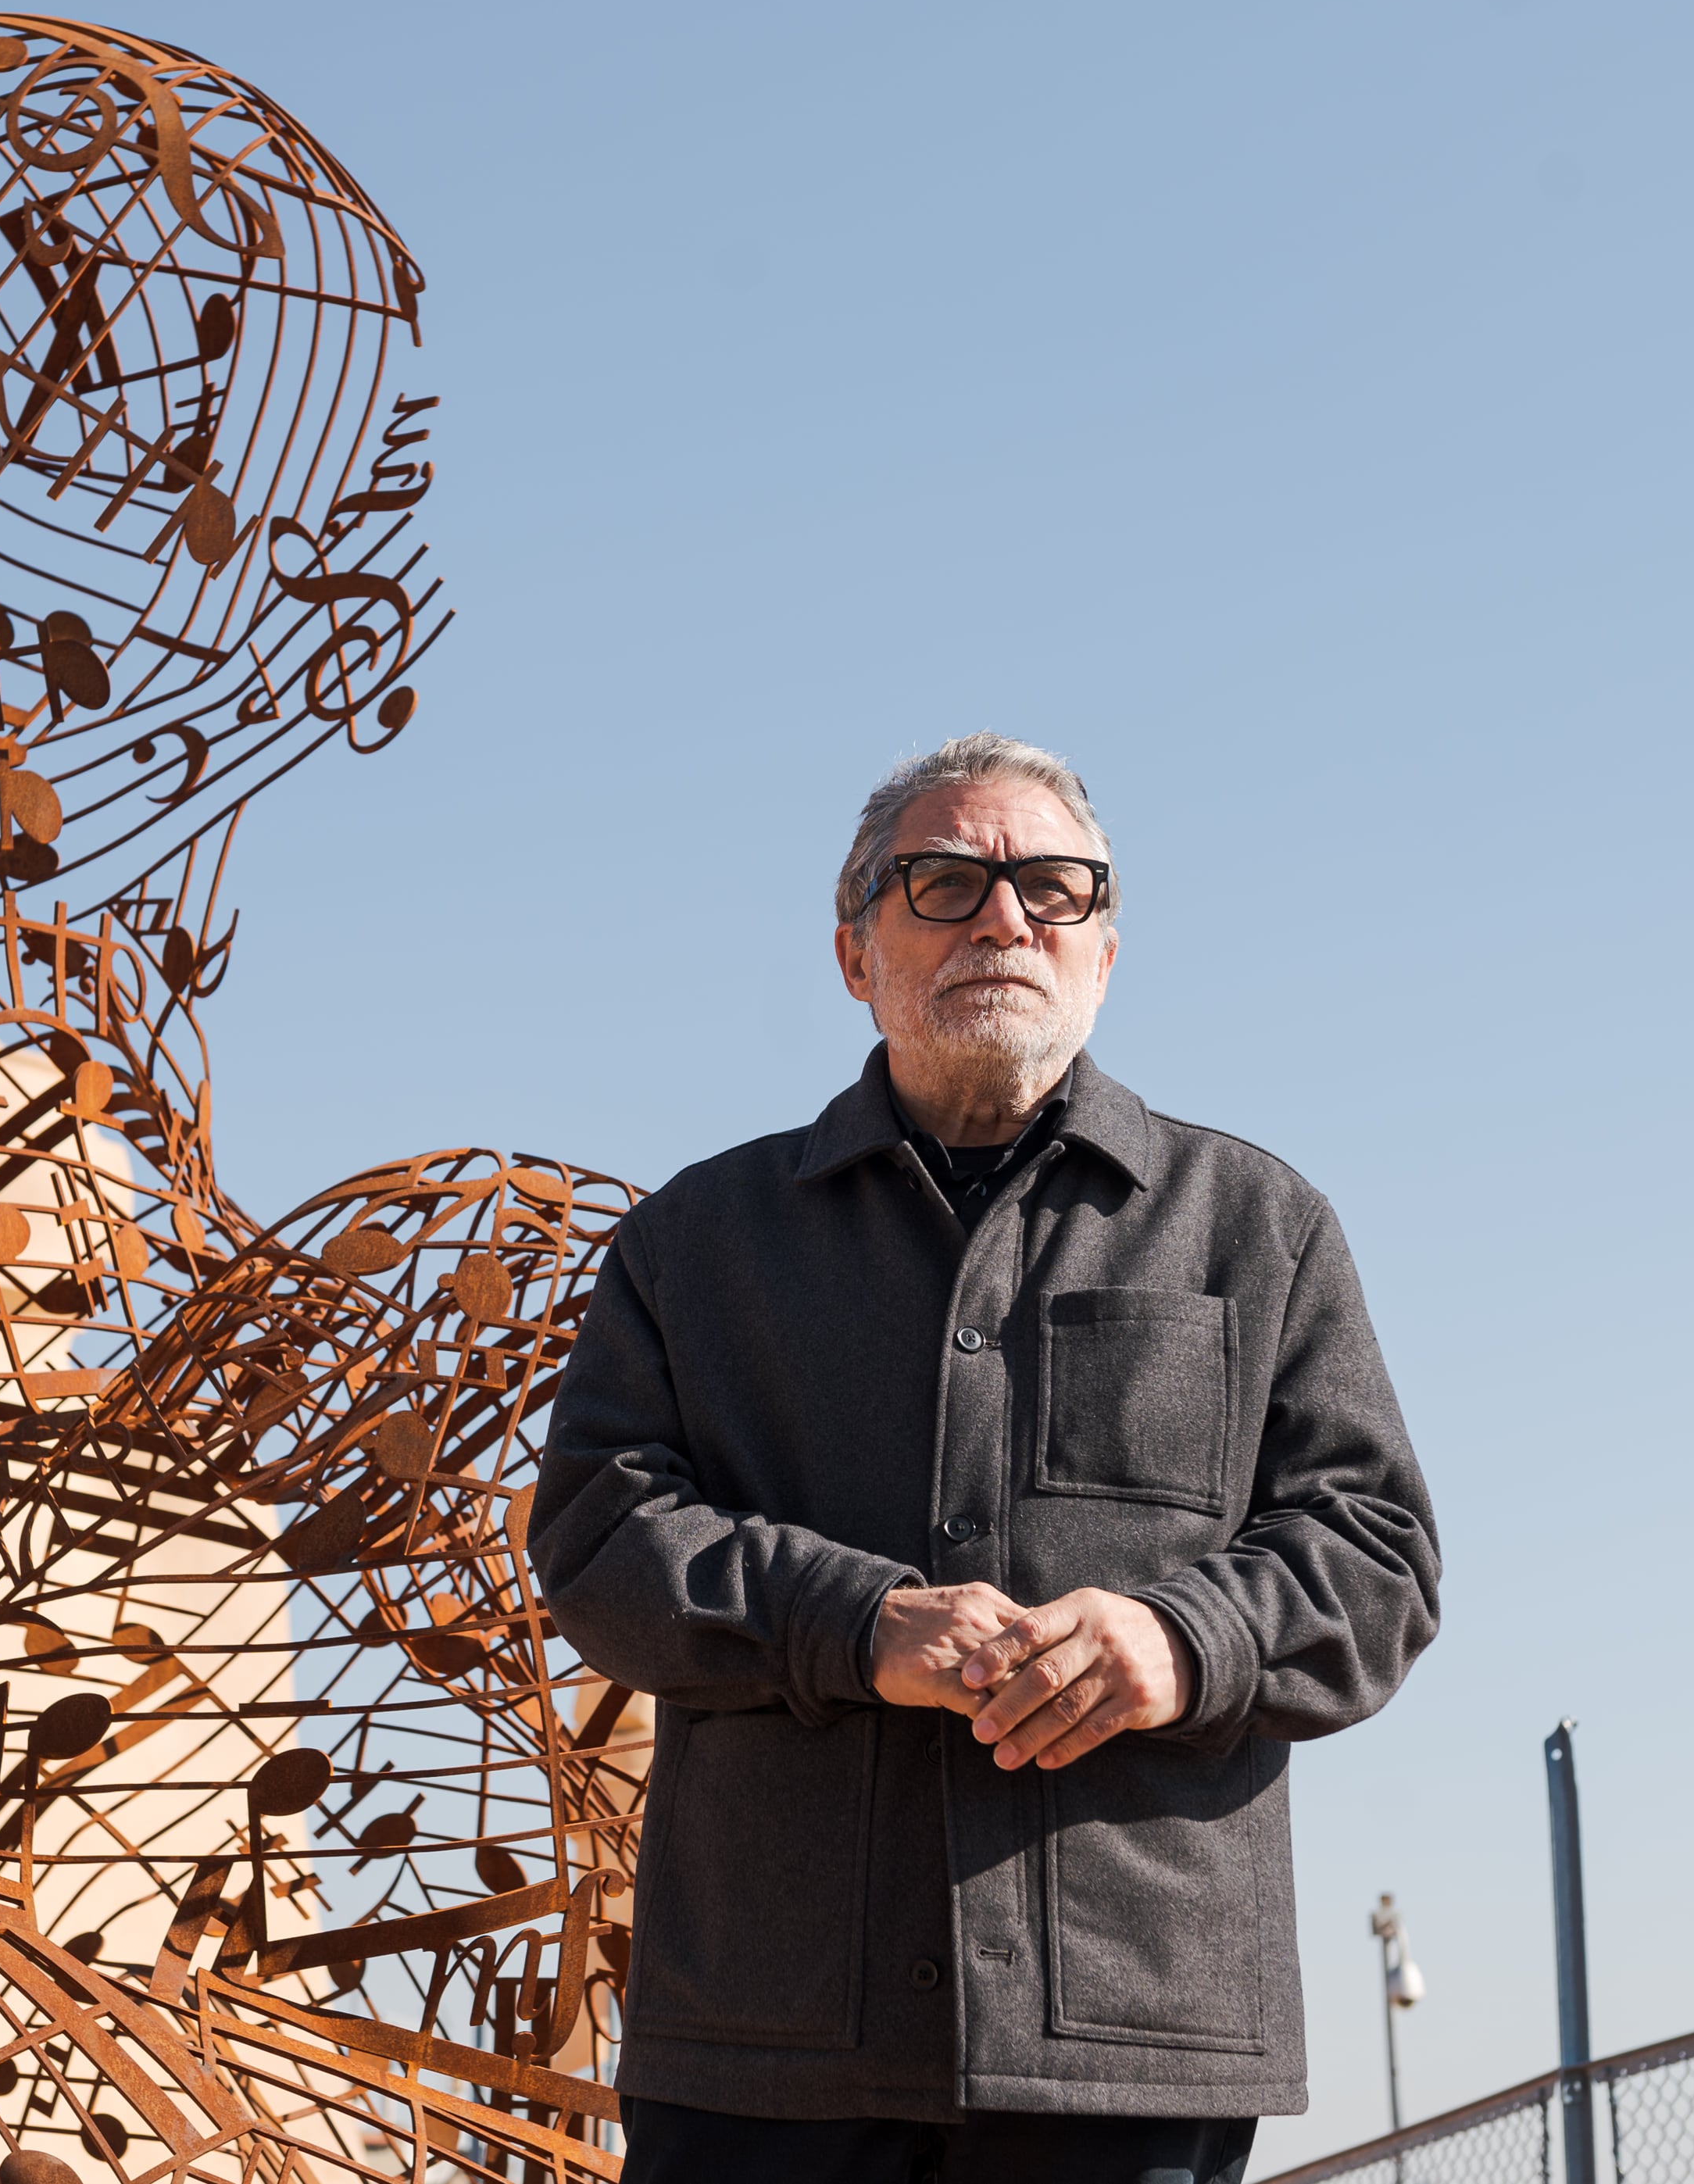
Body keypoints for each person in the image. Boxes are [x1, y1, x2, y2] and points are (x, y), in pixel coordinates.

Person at [533, 732, 1442, 2184]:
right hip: (766, 2049)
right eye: (944, 882)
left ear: (1105, 948)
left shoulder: (1256, 1226)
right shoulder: (694, 1246)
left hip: (1128, 2043)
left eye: (1053, 888)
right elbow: (598, 1540)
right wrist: (853, 1622)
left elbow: (1375, 1554)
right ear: (853, 952)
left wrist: (1178, 1638)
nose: (1004, 918)